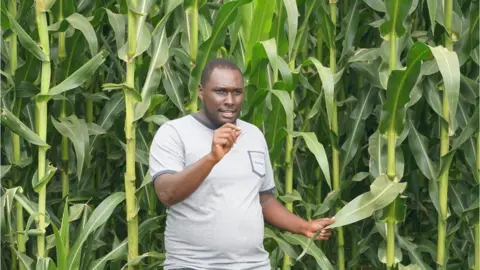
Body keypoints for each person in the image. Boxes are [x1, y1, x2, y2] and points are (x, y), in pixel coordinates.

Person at [149, 58, 335, 270]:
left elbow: (263, 199)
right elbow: (166, 194)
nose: (230, 100)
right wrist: (212, 158)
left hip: (253, 265)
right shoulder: (174, 133)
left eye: (237, 92)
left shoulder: (253, 135)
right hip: (193, 265)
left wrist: (304, 226)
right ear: (201, 91)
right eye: (220, 91)